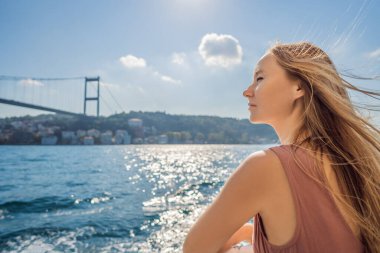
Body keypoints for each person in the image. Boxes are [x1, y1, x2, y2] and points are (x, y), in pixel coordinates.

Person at [183, 41, 380, 253]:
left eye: (259, 78)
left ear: (298, 87)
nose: (247, 91)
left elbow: (194, 249)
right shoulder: (353, 163)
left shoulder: (266, 165)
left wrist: (241, 235)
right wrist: (250, 233)